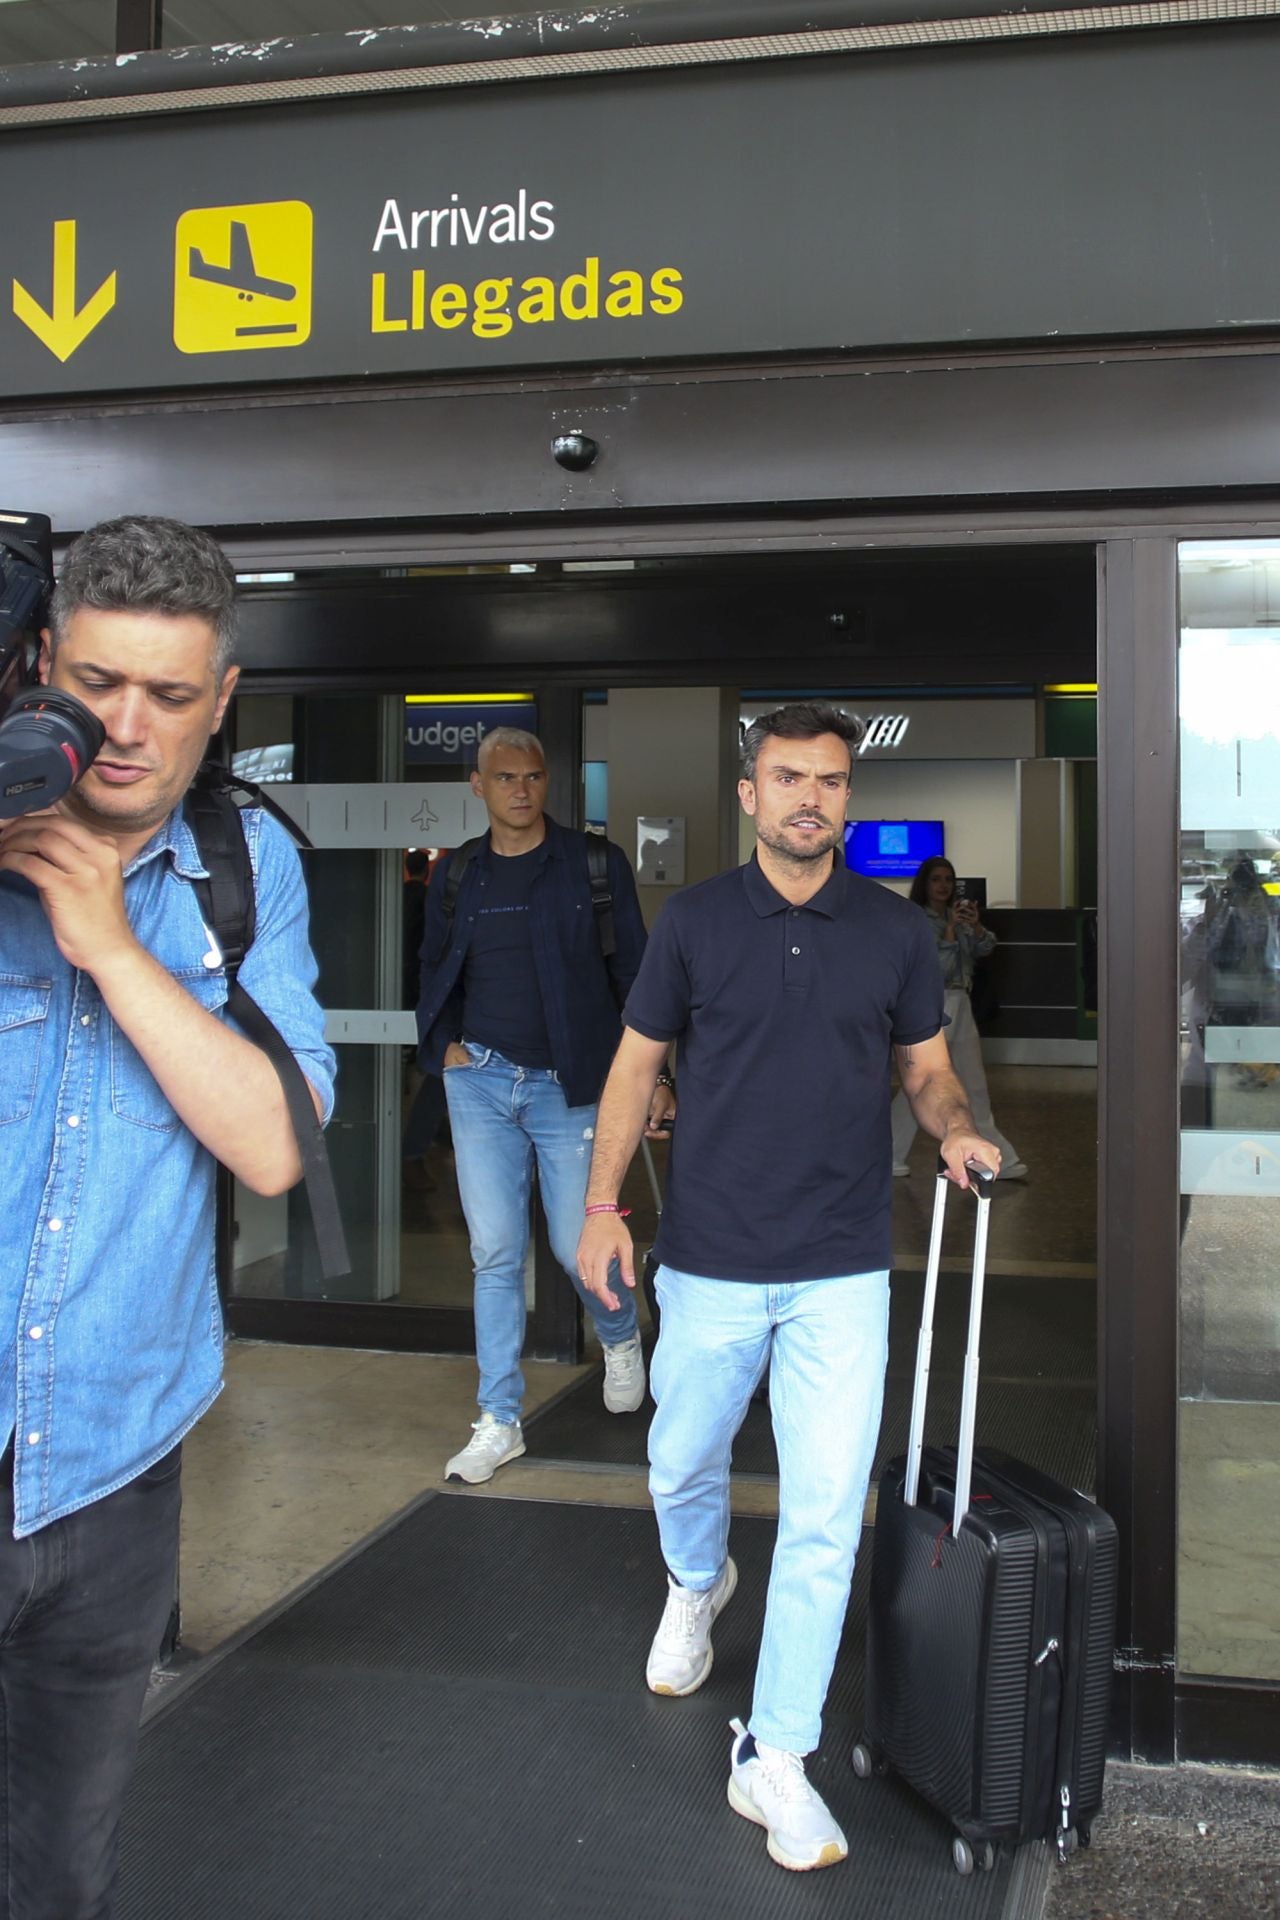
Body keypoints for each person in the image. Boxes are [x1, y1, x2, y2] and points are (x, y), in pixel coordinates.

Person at [576, 701, 1000, 1875]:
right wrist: (603, 1207)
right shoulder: (695, 923)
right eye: (785, 777)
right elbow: (634, 1066)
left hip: (840, 1263)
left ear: (846, 801)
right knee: (681, 1459)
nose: (807, 796)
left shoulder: (893, 935)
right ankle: (695, 1580)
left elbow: (925, 1075)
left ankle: (774, 1753)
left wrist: (958, 1132)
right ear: (750, 794)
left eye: (828, 779)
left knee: (822, 1513)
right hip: (708, 1256)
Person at [0, 515, 336, 1919]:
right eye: (93, 686)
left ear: (225, 701)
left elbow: (274, 1148)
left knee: (61, 1873)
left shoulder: (245, 876)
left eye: (171, 696)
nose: (125, 730)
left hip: (112, 1467)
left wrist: (108, 945)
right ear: (36, 667)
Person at [416, 728, 674, 1485]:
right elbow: (432, 962)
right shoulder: (459, 872)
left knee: (574, 1245)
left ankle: (621, 1333)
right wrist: (443, 1045)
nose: (522, 790)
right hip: (482, 1081)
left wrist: (654, 1075)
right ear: (478, 785)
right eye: (506, 778)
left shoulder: (593, 864)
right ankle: (499, 1419)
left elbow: (636, 972)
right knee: (494, 1254)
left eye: (533, 777)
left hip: (573, 1082)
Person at [890, 855, 1026, 1179]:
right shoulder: (918, 920)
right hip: (934, 1002)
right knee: (926, 1081)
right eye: (936, 879)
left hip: (960, 1002)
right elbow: (939, 969)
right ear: (925, 883)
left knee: (972, 1085)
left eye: (948, 880)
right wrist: (951, 933)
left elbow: (985, 948)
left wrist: (974, 926)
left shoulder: (955, 915)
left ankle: (1000, 1157)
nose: (943, 886)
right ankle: (889, 1152)